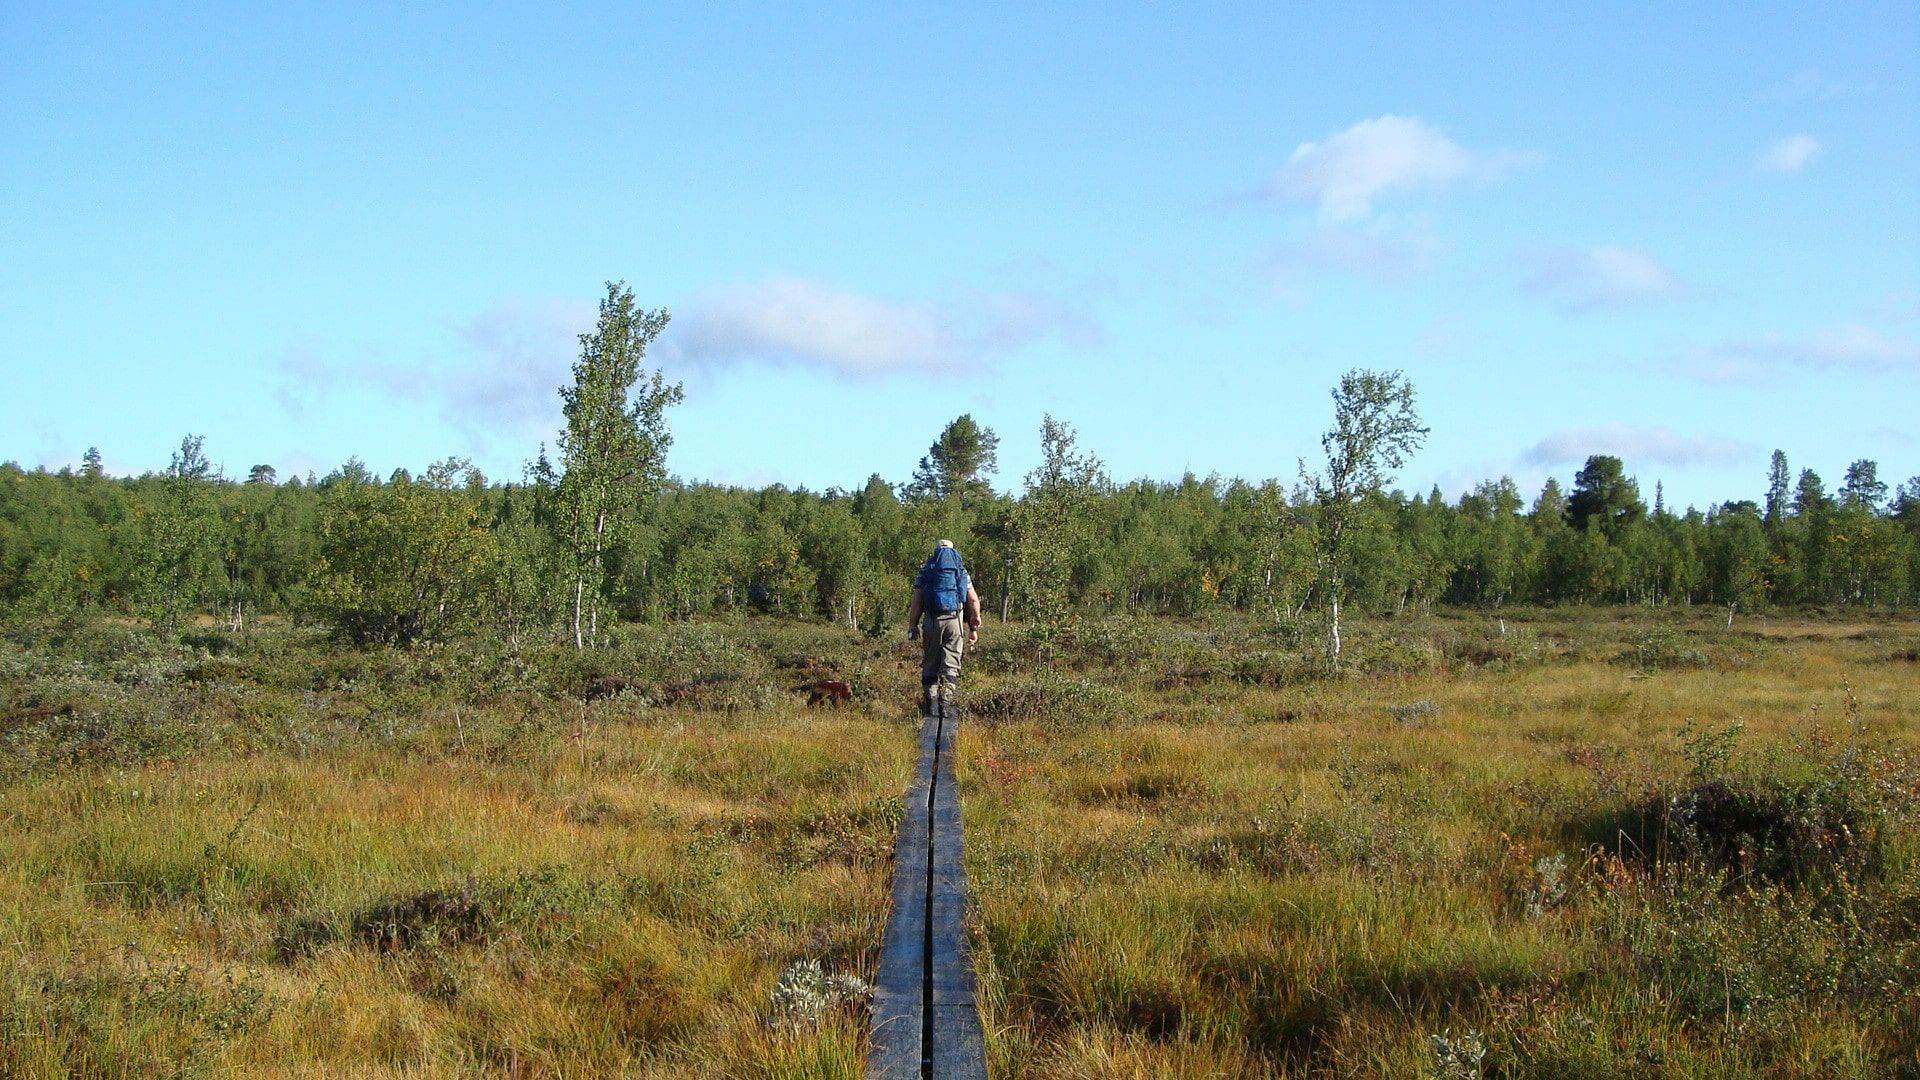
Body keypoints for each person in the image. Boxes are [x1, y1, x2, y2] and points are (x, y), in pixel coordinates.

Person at [906, 540, 982, 712]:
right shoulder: (961, 571)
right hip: (955, 621)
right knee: (951, 664)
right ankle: (946, 704)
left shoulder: (926, 571)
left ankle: (931, 704)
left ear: (936, 551)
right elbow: (973, 600)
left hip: (932, 621)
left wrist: (913, 625)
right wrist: (974, 626)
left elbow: (917, 602)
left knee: (930, 662)